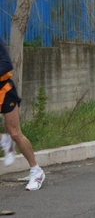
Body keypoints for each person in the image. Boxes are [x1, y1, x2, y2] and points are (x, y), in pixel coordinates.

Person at [0, 37, 45, 191]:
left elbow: (7, 64)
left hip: (5, 90)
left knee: (15, 133)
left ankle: (36, 171)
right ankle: (4, 140)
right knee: (9, 136)